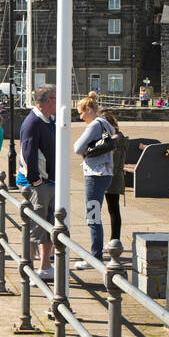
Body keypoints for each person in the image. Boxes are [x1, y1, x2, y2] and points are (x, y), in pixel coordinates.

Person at [17, 84, 56, 283]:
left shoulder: (49, 121)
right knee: (35, 227)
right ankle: (29, 269)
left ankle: (45, 267)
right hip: (37, 184)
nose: (59, 103)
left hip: (49, 181)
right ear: (47, 101)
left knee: (48, 225)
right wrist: (35, 180)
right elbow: (28, 152)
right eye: (56, 99)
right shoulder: (33, 122)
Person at [74, 93, 115, 261]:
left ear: (89, 110)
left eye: (82, 113)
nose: (81, 117)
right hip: (106, 173)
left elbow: (77, 147)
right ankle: (96, 254)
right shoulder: (106, 123)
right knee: (95, 214)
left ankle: (95, 256)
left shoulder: (93, 126)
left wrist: (84, 151)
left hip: (94, 174)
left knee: (92, 216)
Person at [101, 112, 129, 251]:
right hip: (116, 177)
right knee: (113, 209)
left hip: (111, 178)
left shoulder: (115, 140)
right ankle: (114, 239)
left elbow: (112, 162)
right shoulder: (120, 137)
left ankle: (114, 239)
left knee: (113, 210)